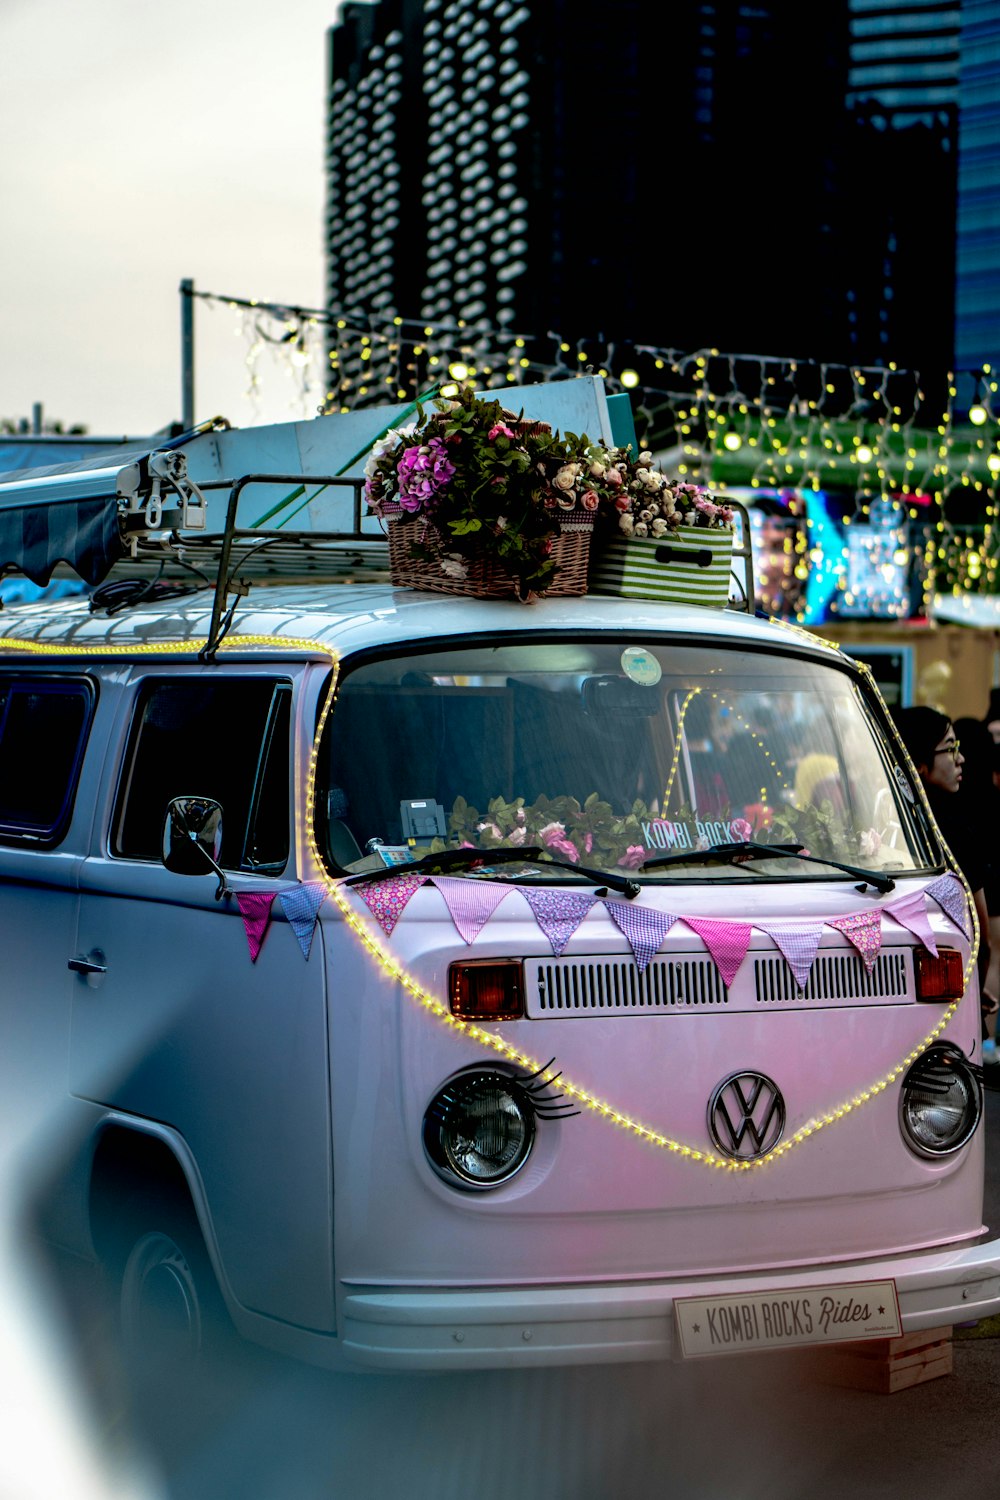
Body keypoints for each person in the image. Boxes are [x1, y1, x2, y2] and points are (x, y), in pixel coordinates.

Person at [892, 706, 998, 1050]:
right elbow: (979, 938)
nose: (961, 759)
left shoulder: (886, 827)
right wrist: (973, 986)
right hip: (951, 1005)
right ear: (920, 765)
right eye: (950, 748)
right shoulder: (956, 833)